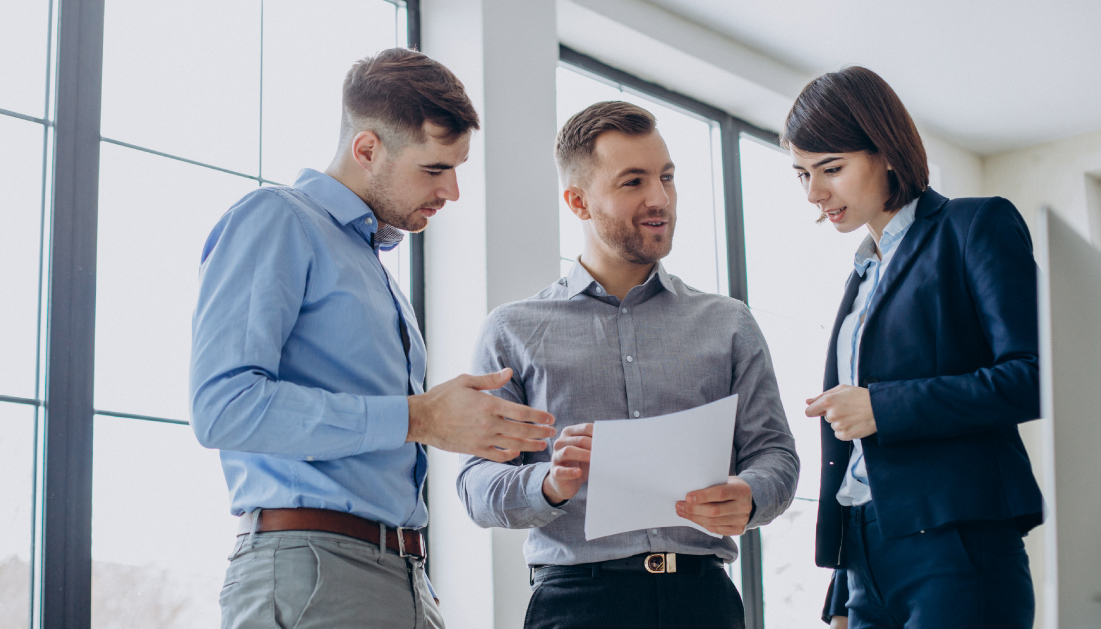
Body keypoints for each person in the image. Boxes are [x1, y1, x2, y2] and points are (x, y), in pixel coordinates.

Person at [189, 48, 556, 629]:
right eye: (435, 169)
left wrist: (455, 424)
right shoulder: (277, 220)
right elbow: (223, 409)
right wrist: (418, 418)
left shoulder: (371, 267)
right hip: (316, 572)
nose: (453, 192)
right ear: (367, 149)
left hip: (401, 574)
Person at [456, 101, 800, 629]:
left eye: (666, 177)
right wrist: (548, 484)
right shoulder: (513, 330)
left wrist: (751, 496)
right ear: (578, 201)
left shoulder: (728, 323)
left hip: (704, 599)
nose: (659, 198)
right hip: (576, 604)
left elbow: (775, 453)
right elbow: (476, 485)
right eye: (633, 181)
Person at [783, 66, 1043, 629]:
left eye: (831, 168)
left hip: (956, 547)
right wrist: (844, 588)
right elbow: (856, 463)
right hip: (865, 559)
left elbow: (1035, 374)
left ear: (888, 150)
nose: (815, 193)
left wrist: (883, 407)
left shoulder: (973, 226)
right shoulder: (861, 276)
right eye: (802, 173)